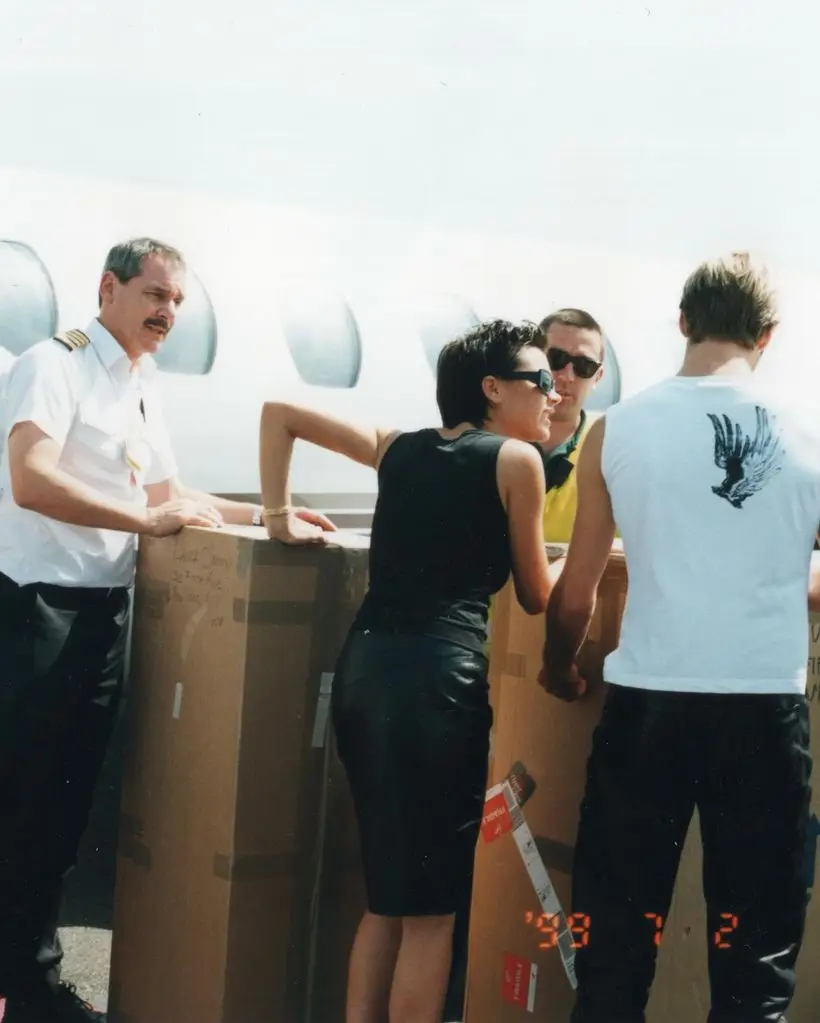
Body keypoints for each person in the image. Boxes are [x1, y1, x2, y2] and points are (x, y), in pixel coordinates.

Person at [0, 237, 331, 1022]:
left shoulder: (141, 385)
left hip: (102, 620)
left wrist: (273, 515)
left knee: (57, 814)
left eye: (177, 301)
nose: (168, 313)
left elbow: (173, 492)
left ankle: (31, 984)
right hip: (36, 615)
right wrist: (146, 520)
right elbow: (30, 478)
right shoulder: (58, 363)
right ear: (107, 289)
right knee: (18, 804)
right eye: (155, 296)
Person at [539, 252, 819, 1023]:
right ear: (767, 333)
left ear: (684, 321)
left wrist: (557, 668)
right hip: (764, 711)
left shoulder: (618, 430)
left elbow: (576, 595)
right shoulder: (811, 433)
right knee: (754, 961)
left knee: (615, 953)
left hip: (648, 710)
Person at [259, 320, 563, 1023]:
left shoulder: (396, 446)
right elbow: (535, 594)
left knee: (388, 897)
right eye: (540, 380)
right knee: (433, 912)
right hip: (438, 688)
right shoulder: (517, 461)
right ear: (493, 389)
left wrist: (278, 514)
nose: (555, 395)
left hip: (366, 671)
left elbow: (280, 416)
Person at [535, 309, 605, 541]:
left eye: (584, 366)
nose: (567, 376)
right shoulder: (491, 441)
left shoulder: (613, 450)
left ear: (598, 377)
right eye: (556, 359)